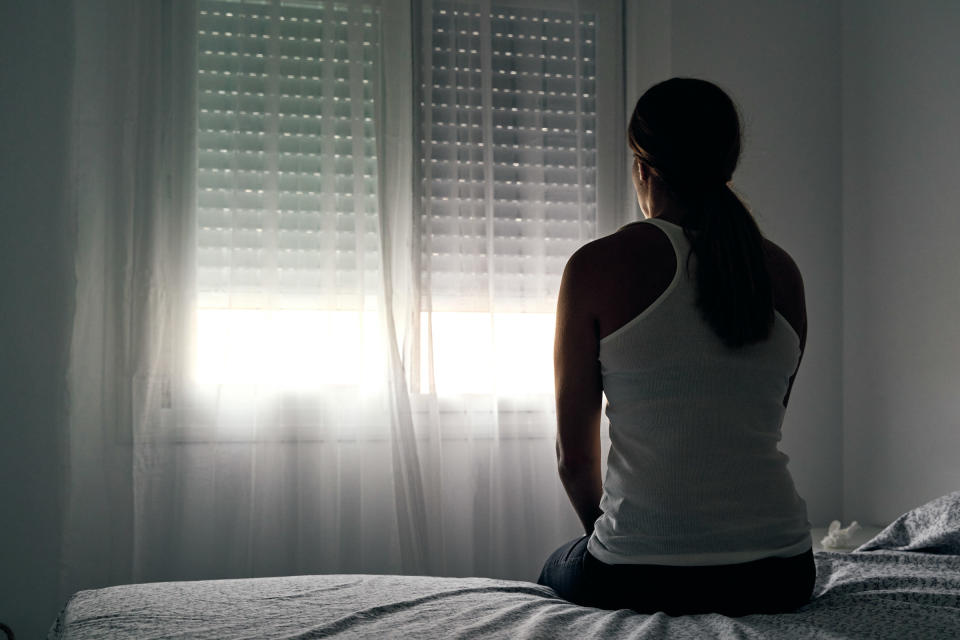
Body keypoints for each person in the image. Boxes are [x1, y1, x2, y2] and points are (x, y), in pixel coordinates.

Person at [537, 78, 815, 616]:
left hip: (639, 577)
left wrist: (622, 539)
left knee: (554, 568)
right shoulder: (782, 272)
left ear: (642, 166)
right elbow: (754, 423)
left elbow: (574, 459)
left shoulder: (596, 266)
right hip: (782, 574)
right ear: (727, 165)